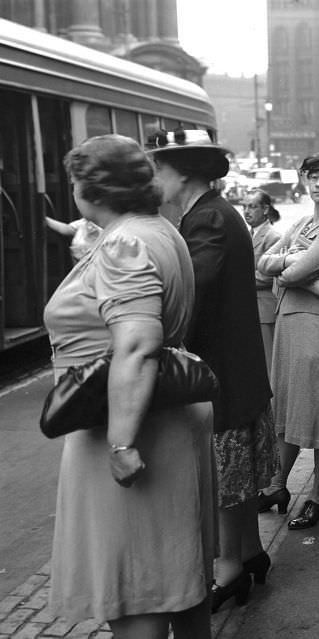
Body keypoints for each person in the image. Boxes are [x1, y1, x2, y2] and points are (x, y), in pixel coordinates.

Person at [45, 134, 214, 638]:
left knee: (137, 588)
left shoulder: (124, 243)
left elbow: (138, 344)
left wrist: (121, 443)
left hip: (131, 430)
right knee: (178, 583)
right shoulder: (161, 229)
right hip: (167, 419)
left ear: (90, 188)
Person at [149, 129, 277, 612]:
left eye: (158, 167)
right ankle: (250, 552)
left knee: (226, 477)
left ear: (182, 171)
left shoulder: (206, 221)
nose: (154, 177)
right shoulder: (216, 214)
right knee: (238, 475)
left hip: (219, 370)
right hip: (237, 366)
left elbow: (189, 299)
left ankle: (228, 567)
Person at [256, 149, 319, 527]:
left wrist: (286, 262)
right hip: (289, 326)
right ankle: (279, 484)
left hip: (316, 330)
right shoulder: (301, 223)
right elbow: (262, 264)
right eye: (313, 176)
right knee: (289, 411)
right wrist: (287, 261)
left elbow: (293, 273)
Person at [243, 190, 283, 371]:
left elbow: (267, 276)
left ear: (265, 209)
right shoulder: (248, 233)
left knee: (267, 362)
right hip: (252, 307)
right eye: (244, 206)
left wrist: (238, 280)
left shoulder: (272, 236)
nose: (246, 211)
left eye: (252, 206)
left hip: (265, 308)